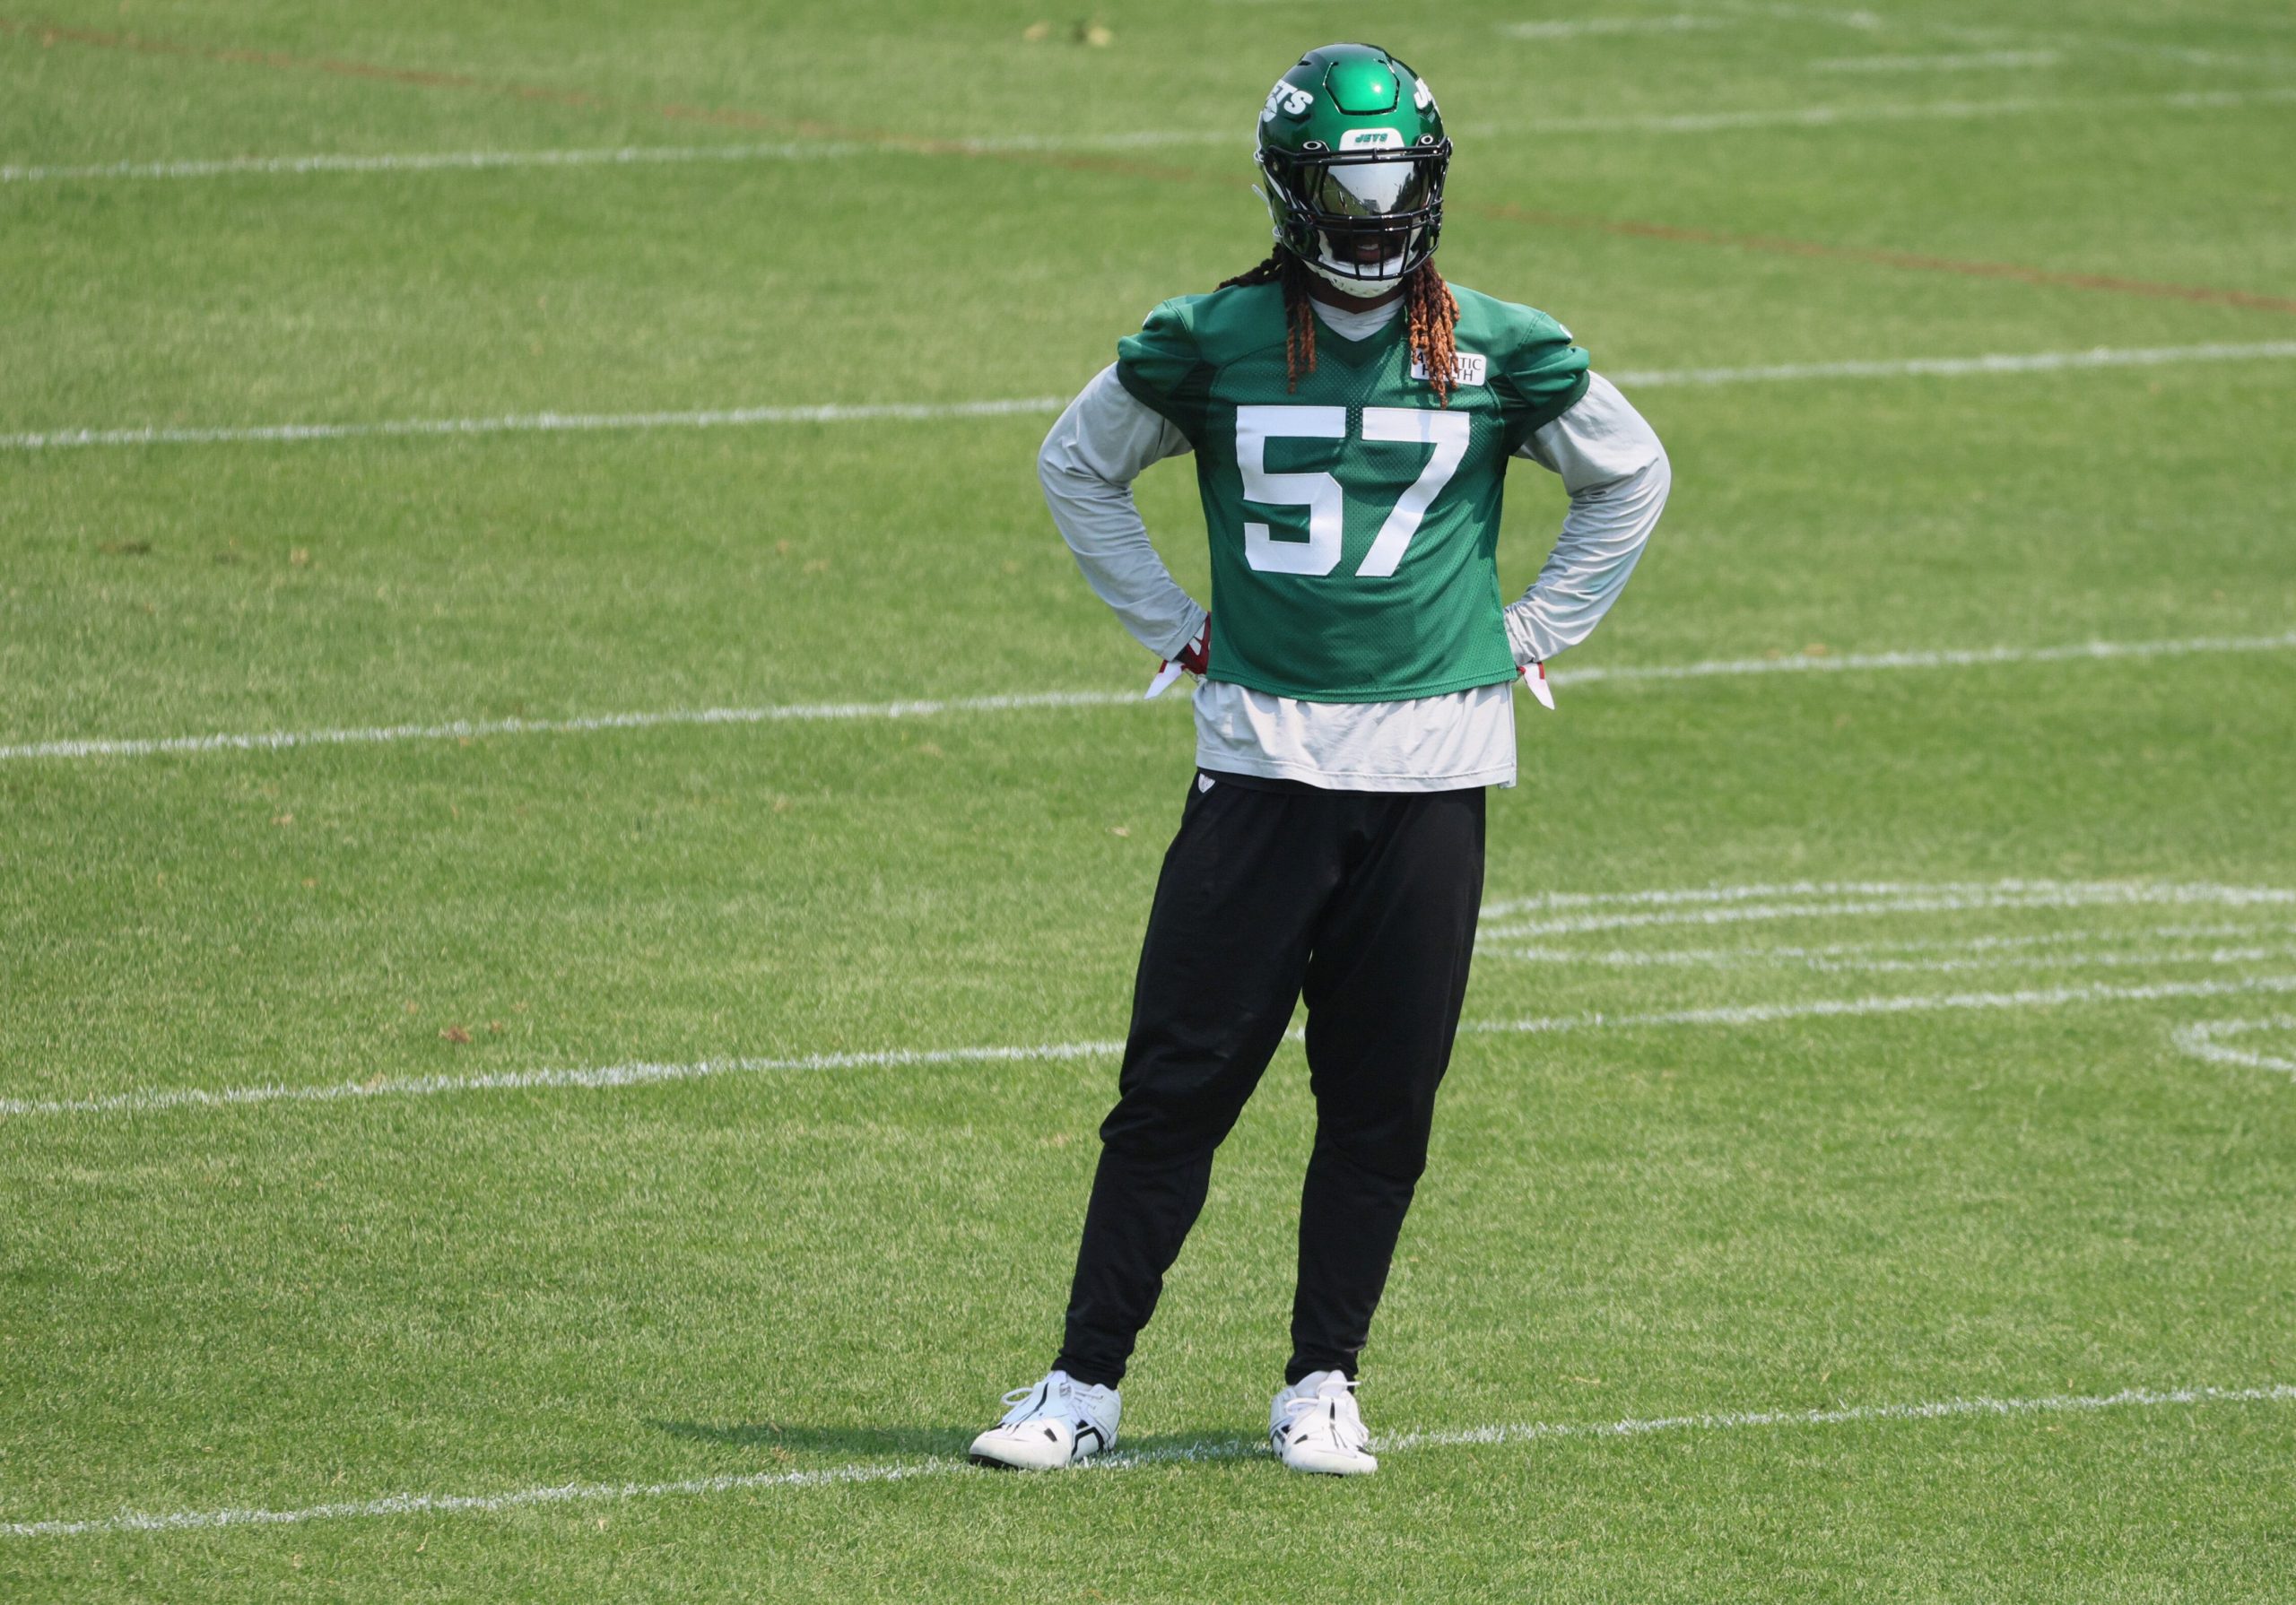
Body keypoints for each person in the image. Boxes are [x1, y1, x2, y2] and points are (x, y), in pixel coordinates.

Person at [970, 40, 1669, 1477]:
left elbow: (1632, 473)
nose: (1376, 216)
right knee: (1175, 1091)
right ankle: (1081, 1384)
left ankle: (1323, 1380)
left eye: (1398, 184)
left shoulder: (1503, 344)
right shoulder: (1208, 337)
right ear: (1292, 195)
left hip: (1432, 778)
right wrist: (1173, 625)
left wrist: (1535, 628)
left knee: (1380, 1105)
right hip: (1262, 768)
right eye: (1350, 191)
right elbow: (1076, 462)